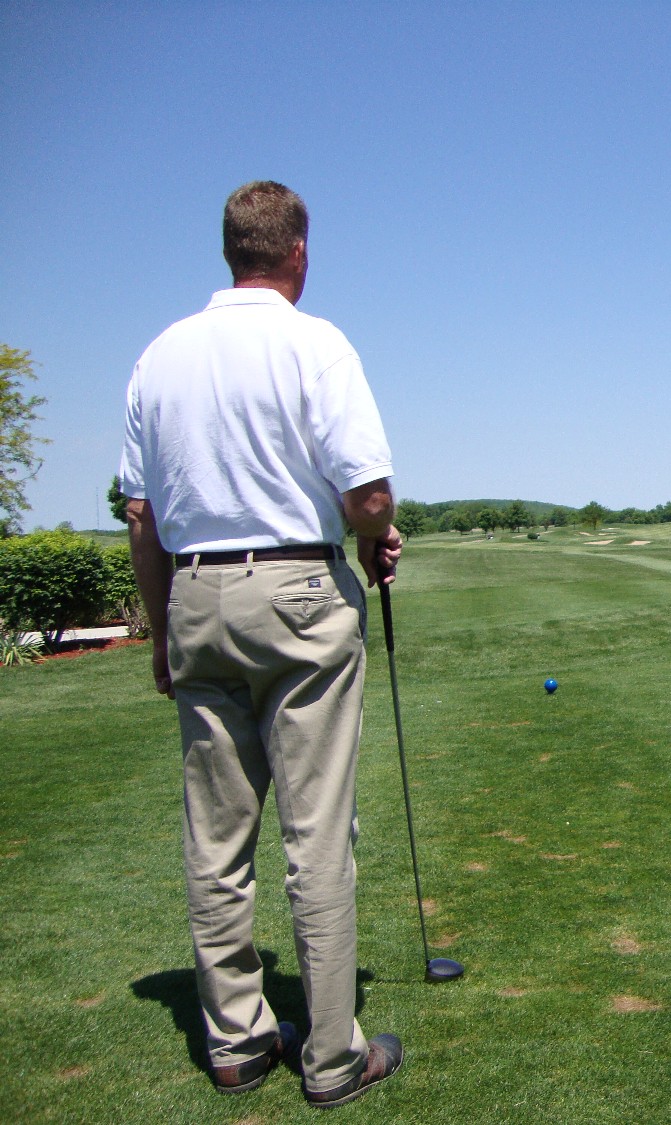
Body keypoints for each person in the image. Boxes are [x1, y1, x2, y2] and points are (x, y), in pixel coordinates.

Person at [120, 181, 405, 1108]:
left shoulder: (158, 355)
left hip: (196, 591)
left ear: (229, 250)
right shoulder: (315, 341)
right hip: (297, 592)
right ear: (298, 254)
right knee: (316, 831)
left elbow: (141, 514)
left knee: (217, 833)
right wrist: (375, 536)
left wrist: (161, 632)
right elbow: (366, 492)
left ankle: (237, 1041)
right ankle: (330, 1057)